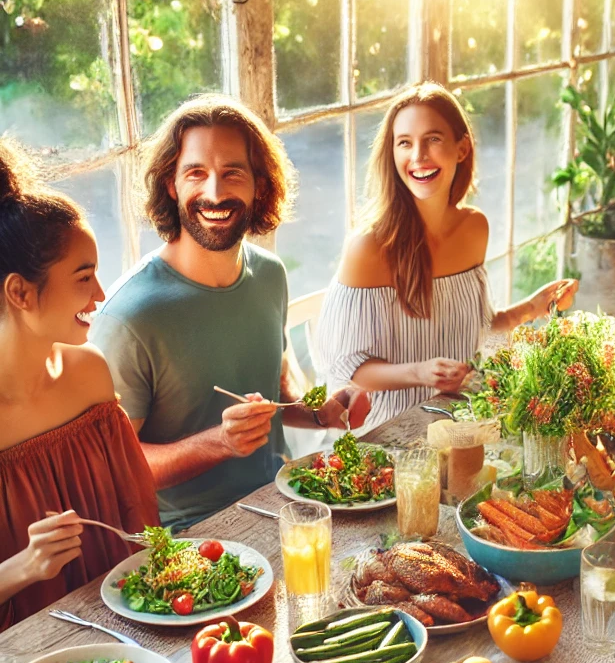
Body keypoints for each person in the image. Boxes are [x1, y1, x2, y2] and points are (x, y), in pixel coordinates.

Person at [89, 95, 369, 531]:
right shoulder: (129, 316)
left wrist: (322, 411)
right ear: (170, 184)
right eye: (196, 173)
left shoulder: (270, 275)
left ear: (260, 184)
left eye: (232, 173)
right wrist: (218, 443)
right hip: (193, 539)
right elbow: (113, 471)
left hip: (284, 502)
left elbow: (277, 388)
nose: (216, 193)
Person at [317, 82, 577, 433]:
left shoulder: (474, 228)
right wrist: (419, 373)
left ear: (462, 149)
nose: (419, 156)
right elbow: (350, 369)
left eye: (433, 139)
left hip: (462, 418)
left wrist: (530, 308)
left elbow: (473, 333)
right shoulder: (369, 246)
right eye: (405, 142)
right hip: (390, 434)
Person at [0, 141, 159, 629]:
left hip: (128, 626)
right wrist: (21, 568)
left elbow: (140, 522)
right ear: (20, 292)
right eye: (83, 277)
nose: (101, 294)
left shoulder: (90, 373)